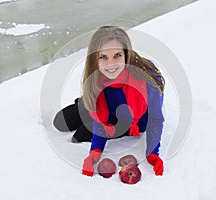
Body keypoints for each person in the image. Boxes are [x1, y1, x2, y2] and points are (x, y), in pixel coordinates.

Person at [53, 26, 165, 176]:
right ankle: (89, 104)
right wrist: (94, 153)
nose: (111, 64)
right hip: (107, 104)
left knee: (80, 136)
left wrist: (153, 153)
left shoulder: (147, 78)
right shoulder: (97, 77)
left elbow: (155, 120)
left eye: (117, 55)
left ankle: (92, 108)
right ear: (95, 59)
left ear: (126, 54)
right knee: (61, 121)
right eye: (103, 57)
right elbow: (100, 120)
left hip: (131, 120)